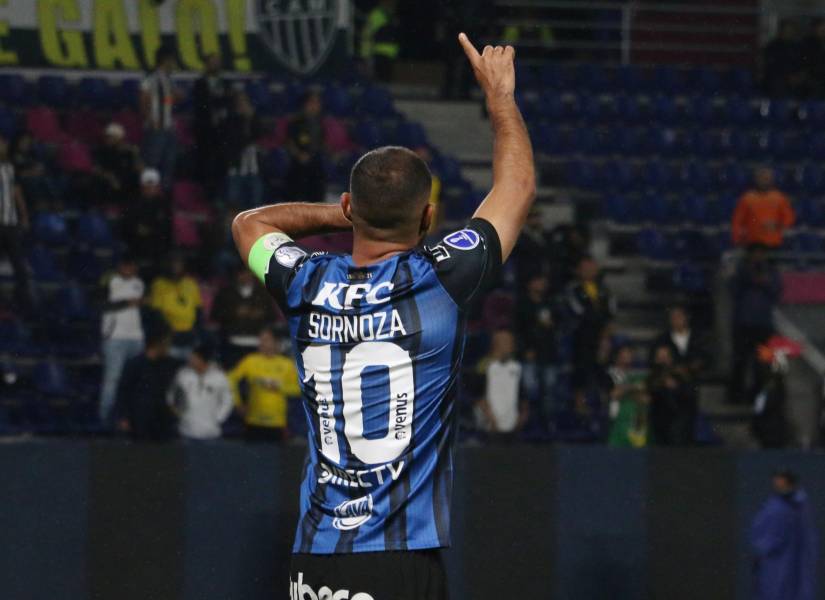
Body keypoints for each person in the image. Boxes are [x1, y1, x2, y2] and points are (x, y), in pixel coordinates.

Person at [231, 33, 534, 598]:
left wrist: (350, 215)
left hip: (314, 560)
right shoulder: (440, 278)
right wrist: (499, 100)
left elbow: (248, 223)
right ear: (428, 215)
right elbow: (516, 187)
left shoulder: (305, 281)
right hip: (397, 557)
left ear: (349, 208)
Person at [750, 470, 818, 600]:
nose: (778, 483)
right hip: (777, 568)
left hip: (787, 568)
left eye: (781, 480)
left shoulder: (795, 507)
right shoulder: (778, 507)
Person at [227, 327, 300, 442]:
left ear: (275, 342)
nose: (262, 343)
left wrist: (279, 387)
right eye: (261, 339)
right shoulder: (250, 361)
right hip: (253, 420)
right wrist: (238, 403)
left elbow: (297, 389)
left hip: (277, 422)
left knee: (275, 458)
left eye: (266, 339)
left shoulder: (287, 364)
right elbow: (231, 379)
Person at [730, 245, 782, 404]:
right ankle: (736, 396)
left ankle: (758, 396)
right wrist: (750, 278)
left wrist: (764, 282)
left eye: (761, 252)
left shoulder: (771, 272)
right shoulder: (741, 271)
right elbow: (733, 290)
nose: (758, 256)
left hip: (764, 326)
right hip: (743, 324)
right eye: (755, 252)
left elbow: (776, 292)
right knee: (740, 361)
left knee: (763, 363)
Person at [99, 255, 145, 425]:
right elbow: (100, 304)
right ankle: (106, 419)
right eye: (125, 265)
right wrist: (126, 303)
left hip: (136, 337)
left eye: (131, 265)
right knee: (112, 380)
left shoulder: (139, 283)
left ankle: (131, 418)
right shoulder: (110, 280)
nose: (128, 268)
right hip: (115, 337)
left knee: (135, 381)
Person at [114, 325, 180, 441]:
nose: (168, 346)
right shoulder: (134, 364)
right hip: (140, 421)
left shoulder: (170, 364)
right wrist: (123, 417)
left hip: (163, 422)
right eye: (166, 343)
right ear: (158, 343)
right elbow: (123, 391)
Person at [211, 266, 278, 368]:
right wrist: (234, 313)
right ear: (236, 275)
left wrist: (260, 313)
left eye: (247, 273)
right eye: (242, 273)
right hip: (232, 342)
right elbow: (215, 315)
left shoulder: (262, 292)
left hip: (258, 342)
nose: (245, 276)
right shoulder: (226, 292)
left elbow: (272, 316)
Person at [516, 274, 560, 427]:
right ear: (529, 283)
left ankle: (547, 423)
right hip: (529, 355)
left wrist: (552, 325)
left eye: (543, 280)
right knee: (529, 389)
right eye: (537, 280)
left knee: (549, 389)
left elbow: (562, 326)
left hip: (549, 354)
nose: (541, 283)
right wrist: (525, 350)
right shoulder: (523, 305)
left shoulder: (552, 303)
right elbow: (517, 331)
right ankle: (529, 421)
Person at [566, 255, 616, 387]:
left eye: (591, 267)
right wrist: (597, 317)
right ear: (579, 270)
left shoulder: (605, 290)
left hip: (601, 337)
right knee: (581, 372)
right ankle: (579, 403)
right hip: (582, 337)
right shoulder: (574, 289)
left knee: (603, 370)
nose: (589, 271)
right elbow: (578, 311)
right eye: (585, 268)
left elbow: (611, 312)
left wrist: (606, 337)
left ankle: (603, 399)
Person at [167, 342, 233, 440]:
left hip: (211, 433)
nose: (190, 360)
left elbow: (228, 400)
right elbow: (171, 395)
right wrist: (178, 413)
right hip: (186, 431)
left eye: (193, 357)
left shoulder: (220, 377)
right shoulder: (182, 375)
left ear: (202, 360)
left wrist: (218, 418)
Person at [475, 329, 527, 439]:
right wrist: (489, 417)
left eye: (510, 342)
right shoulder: (484, 366)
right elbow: (477, 396)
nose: (509, 345)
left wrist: (521, 419)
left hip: (512, 428)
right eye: (505, 341)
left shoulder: (517, 367)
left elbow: (523, 397)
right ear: (495, 344)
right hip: (489, 428)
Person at [149, 254, 203, 358]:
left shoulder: (191, 283)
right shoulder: (159, 284)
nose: (176, 266)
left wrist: (196, 330)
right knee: (170, 369)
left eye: (179, 263)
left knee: (188, 369)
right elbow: (156, 312)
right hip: (170, 336)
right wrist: (167, 331)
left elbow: (198, 309)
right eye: (173, 263)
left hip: (189, 335)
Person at [0, 135, 31, 310]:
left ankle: (23, 303)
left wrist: (24, 215)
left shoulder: (10, 167)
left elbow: (16, 192)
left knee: (19, 266)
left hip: (10, 223)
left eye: (2, 144)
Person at [140, 45, 178, 186]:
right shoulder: (151, 78)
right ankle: (150, 193)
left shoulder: (168, 79)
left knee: (168, 163)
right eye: (172, 61)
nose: (173, 64)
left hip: (168, 127)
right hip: (156, 127)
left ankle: (163, 196)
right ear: (165, 60)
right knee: (153, 163)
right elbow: (143, 99)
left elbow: (169, 100)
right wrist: (150, 120)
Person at [122, 168, 171, 274]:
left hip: (158, 246)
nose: (150, 188)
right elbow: (127, 225)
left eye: (152, 186)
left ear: (157, 187)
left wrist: (151, 230)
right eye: (147, 186)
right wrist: (137, 229)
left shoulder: (164, 205)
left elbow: (166, 227)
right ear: (142, 187)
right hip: (136, 245)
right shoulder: (133, 203)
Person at [731, 167, 795, 250]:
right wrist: (737, 239)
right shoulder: (747, 198)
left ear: (772, 179)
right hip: (752, 242)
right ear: (756, 179)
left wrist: (777, 224)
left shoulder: (780, 198)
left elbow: (789, 219)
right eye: (761, 177)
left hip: (774, 242)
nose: (764, 180)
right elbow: (737, 221)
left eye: (767, 178)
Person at [192, 53, 229, 192]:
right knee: (206, 162)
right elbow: (201, 105)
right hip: (205, 130)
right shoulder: (200, 83)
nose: (216, 65)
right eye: (213, 62)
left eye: (218, 62)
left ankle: (219, 193)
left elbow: (227, 102)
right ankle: (205, 192)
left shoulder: (224, 82)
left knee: (221, 163)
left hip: (222, 130)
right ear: (207, 64)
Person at [647, 344, 694, 445]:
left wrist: (675, 388)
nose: (662, 361)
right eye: (659, 358)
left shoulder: (681, 376)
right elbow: (650, 395)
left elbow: (688, 399)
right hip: (657, 425)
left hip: (677, 425)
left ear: (671, 359)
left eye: (665, 357)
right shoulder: (652, 378)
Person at [284, 91, 327, 203]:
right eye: (313, 102)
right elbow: (289, 142)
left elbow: (321, 143)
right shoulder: (296, 122)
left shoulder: (320, 122)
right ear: (305, 104)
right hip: (298, 163)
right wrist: (299, 154)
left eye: (317, 102)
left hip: (315, 163)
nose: (316, 105)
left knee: (317, 192)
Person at [223, 91, 263, 208]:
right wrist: (243, 120)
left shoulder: (254, 119)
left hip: (254, 168)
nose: (242, 105)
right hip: (236, 168)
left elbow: (260, 136)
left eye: (244, 101)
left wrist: (250, 119)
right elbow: (237, 140)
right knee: (233, 204)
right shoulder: (230, 120)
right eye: (239, 102)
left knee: (256, 204)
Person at [606, 345, 649, 448]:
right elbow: (613, 394)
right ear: (617, 356)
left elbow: (645, 398)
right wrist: (633, 387)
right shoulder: (610, 373)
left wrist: (627, 390)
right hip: (615, 420)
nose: (626, 356)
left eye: (629, 353)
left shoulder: (638, 375)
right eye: (623, 353)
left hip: (634, 422)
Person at [92, 122, 142, 204]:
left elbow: (139, 169)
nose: (107, 139)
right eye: (107, 137)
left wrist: (136, 155)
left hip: (126, 182)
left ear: (119, 138)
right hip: (108, 180)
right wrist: (110, 177)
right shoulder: (101, 151)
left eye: (110, 137)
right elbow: (96, 169)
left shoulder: (129, 151)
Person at [762, 20, 807, 98]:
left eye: (791, 31)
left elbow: (802, 64)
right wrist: (787, 77)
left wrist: (799, 76)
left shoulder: (797, 46)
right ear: (780, 31)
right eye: (786, 30)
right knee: (777, 84)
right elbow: (771, 66)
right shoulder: (772, 46)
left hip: (795, 78)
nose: (788, 33)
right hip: (778, 79)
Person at [360, 0, 400, 82]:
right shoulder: (376, 14)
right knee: (379, 82)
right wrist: (365, 56)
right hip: (379, 54)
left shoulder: (392, 14)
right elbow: (367, 36)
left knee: (386, 84)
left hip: (391, 55)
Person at [801, 19, 825, 98]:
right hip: (812, 77)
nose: (822, 31)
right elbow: (805, 62)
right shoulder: (807, 43)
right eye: (820, 28)